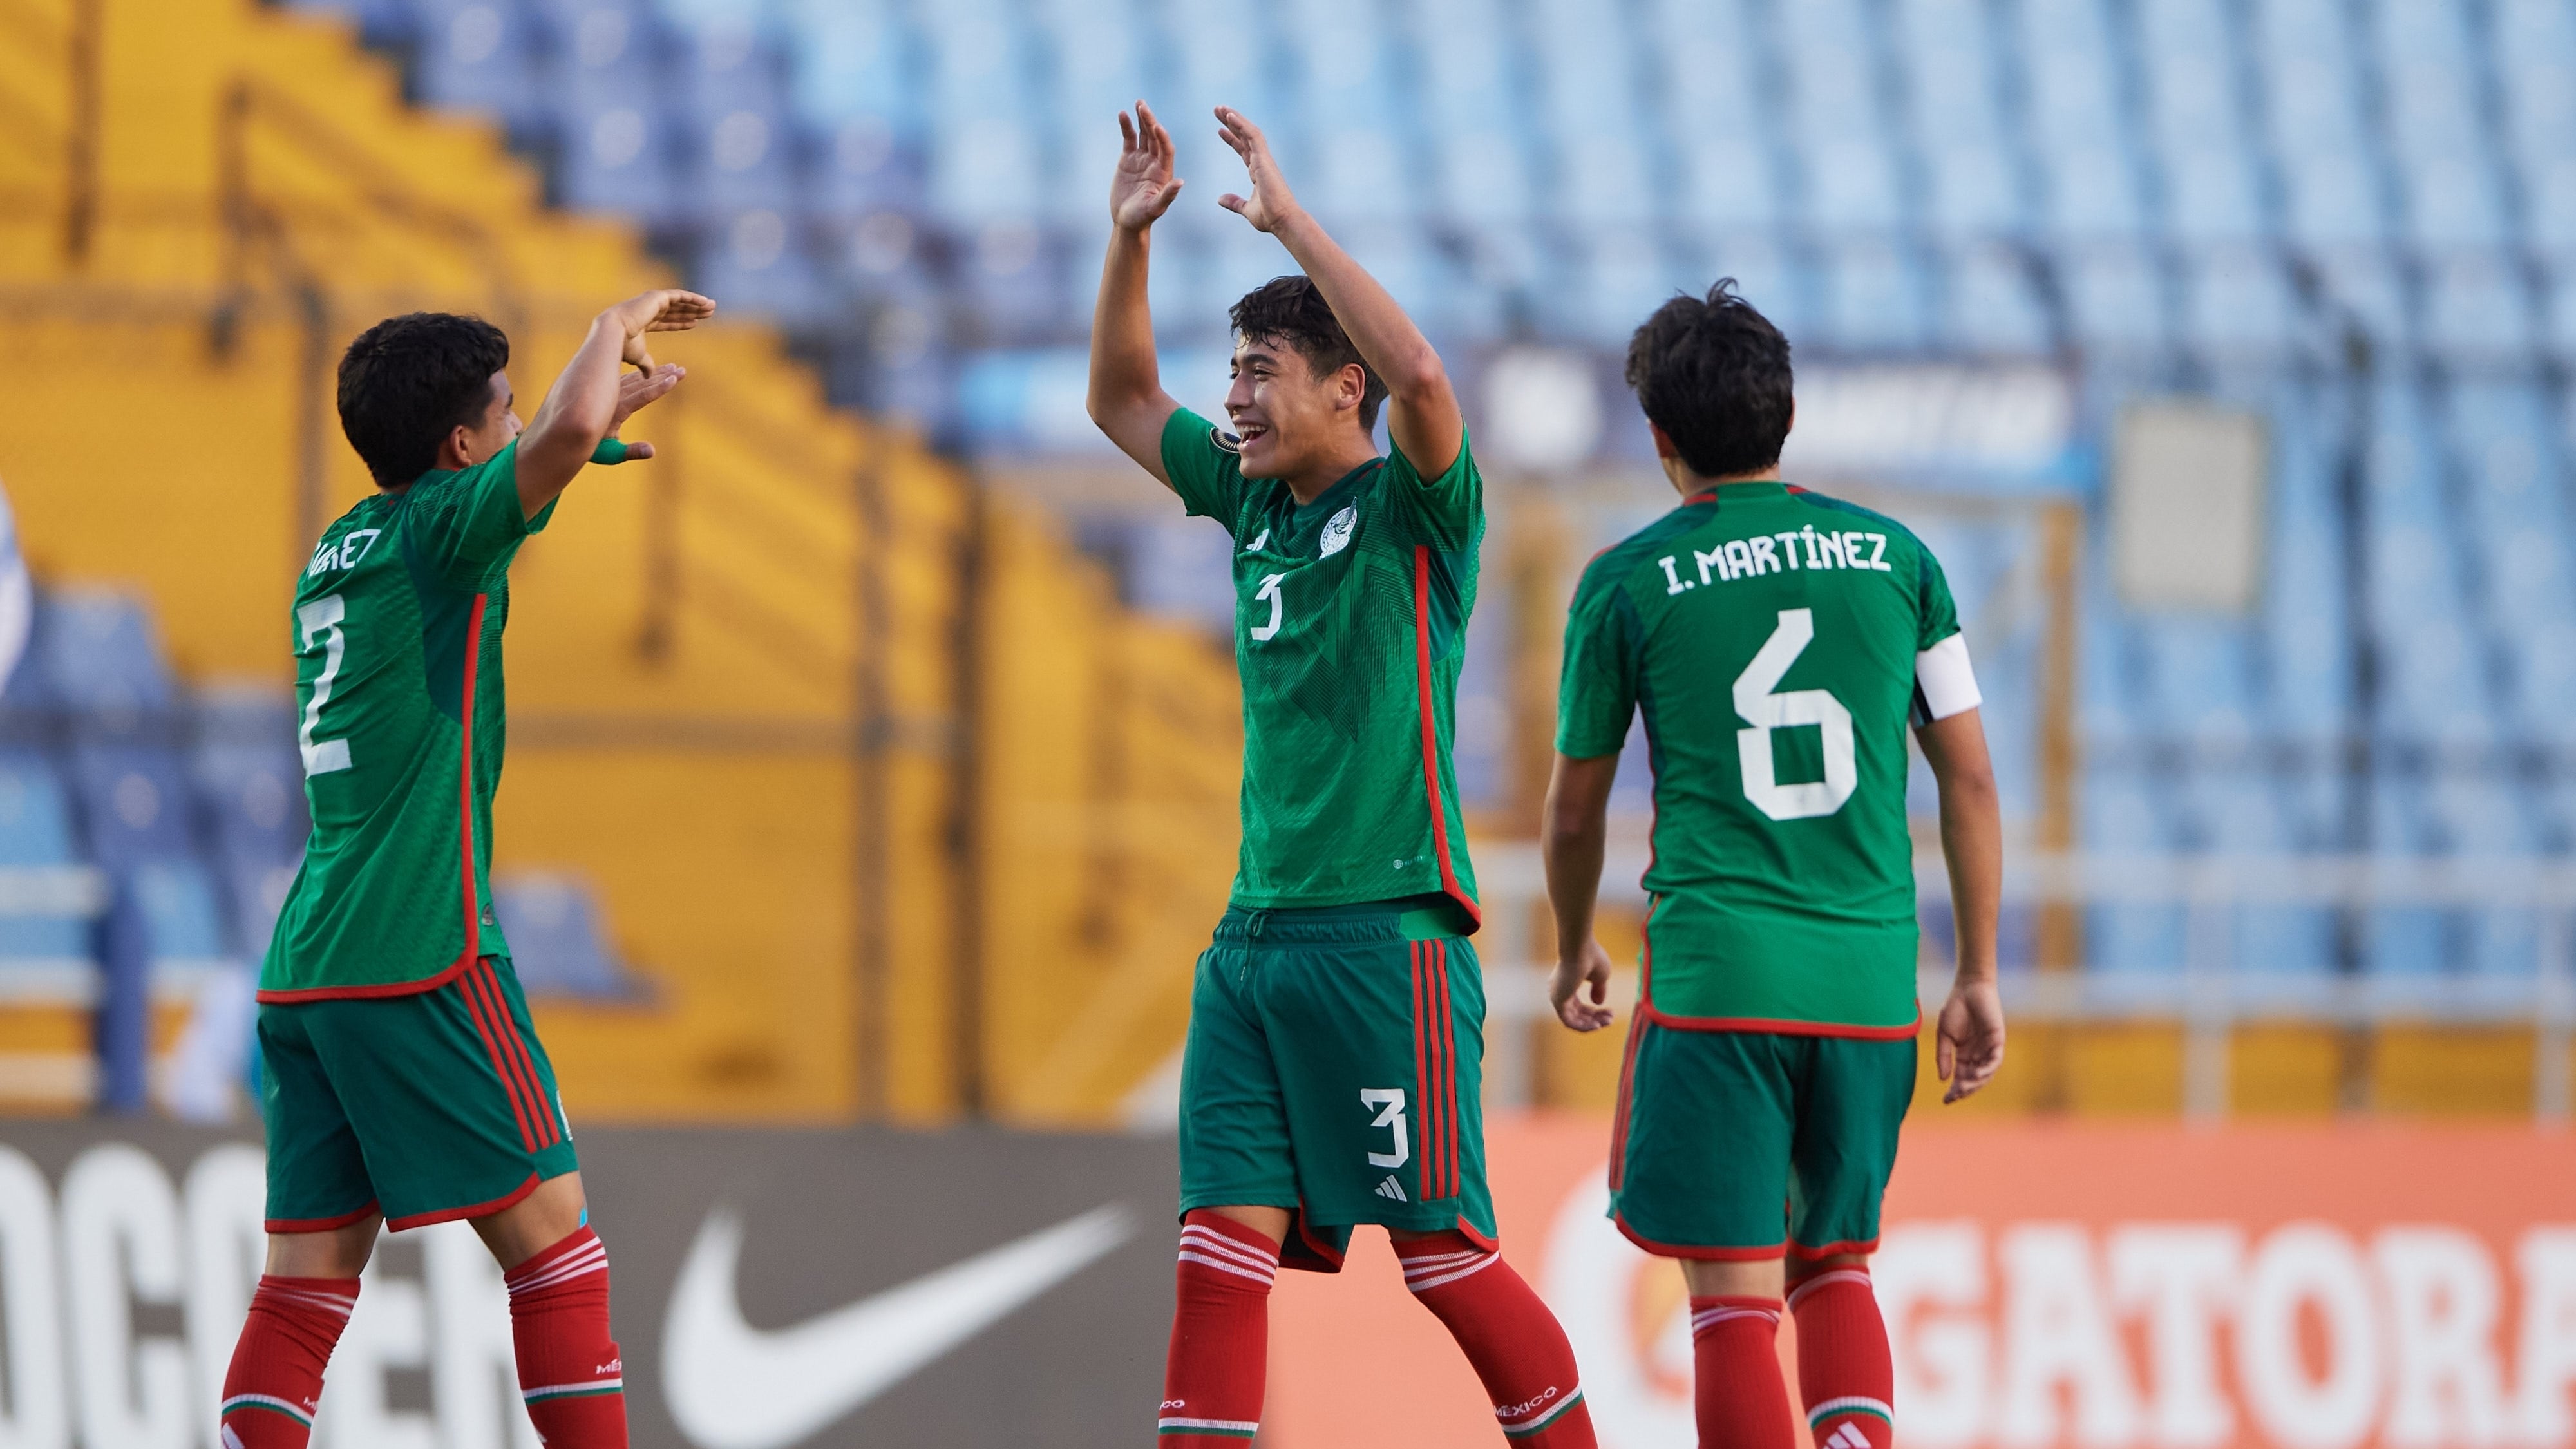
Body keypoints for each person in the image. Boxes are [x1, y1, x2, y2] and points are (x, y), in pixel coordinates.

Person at [1087, 101, 1598, 1448]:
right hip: (1251, 944)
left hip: (1386, 943)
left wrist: (1292, 222)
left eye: (1259, 369)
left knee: (1437, 1258)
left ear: (1339, 390)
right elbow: (1121, 401)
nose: (1233, 398)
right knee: (1215, 1254)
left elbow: (1428, 379)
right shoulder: (1253, 503)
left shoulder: (1415, 512)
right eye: (1233, 369)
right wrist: (1128, 240)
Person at [217, 289, 712, 1449]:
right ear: (458, 447)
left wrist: (566, 445)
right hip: (420, 945)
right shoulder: (445, 532)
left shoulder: (347, 546)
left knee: (303, 1284)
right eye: (500, 411)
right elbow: (552, 442)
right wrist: (610, 324)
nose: (515, 420)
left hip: (311, 965)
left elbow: (537, 455)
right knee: (557, 1247)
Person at [1542, 281, 2007, 1449]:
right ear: (1786, 416)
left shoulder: (1626, 581)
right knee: (1836, 1265)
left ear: (1659, 436)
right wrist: (1980, 973)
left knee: (1731, 1301)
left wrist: (1570, 943)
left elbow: (1572, 808)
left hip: (1719, 983)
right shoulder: (1903, 562)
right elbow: (1973, 779)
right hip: (1867, 989)